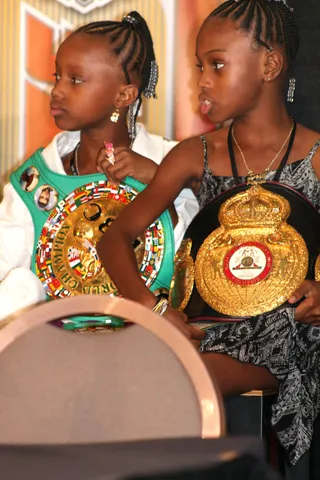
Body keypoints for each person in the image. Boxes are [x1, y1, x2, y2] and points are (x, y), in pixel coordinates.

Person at [98, 0, 320, 466]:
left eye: (216, 65)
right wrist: (150, 306)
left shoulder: (317, 155)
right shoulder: (193, 155)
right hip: (208, 327)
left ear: (270, 65)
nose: (201, 80)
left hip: (290, 333)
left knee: (173, 375)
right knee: (121, 369)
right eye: (200, 66)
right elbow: (115, 238)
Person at [0, 11, 198, 324]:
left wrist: (161, 182)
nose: (57, 91)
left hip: (150, 349)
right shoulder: (35, 181)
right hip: (52, 355)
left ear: (124, 95)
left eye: (76, 80)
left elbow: (190, 266)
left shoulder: (177, 163)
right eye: (57, 77)